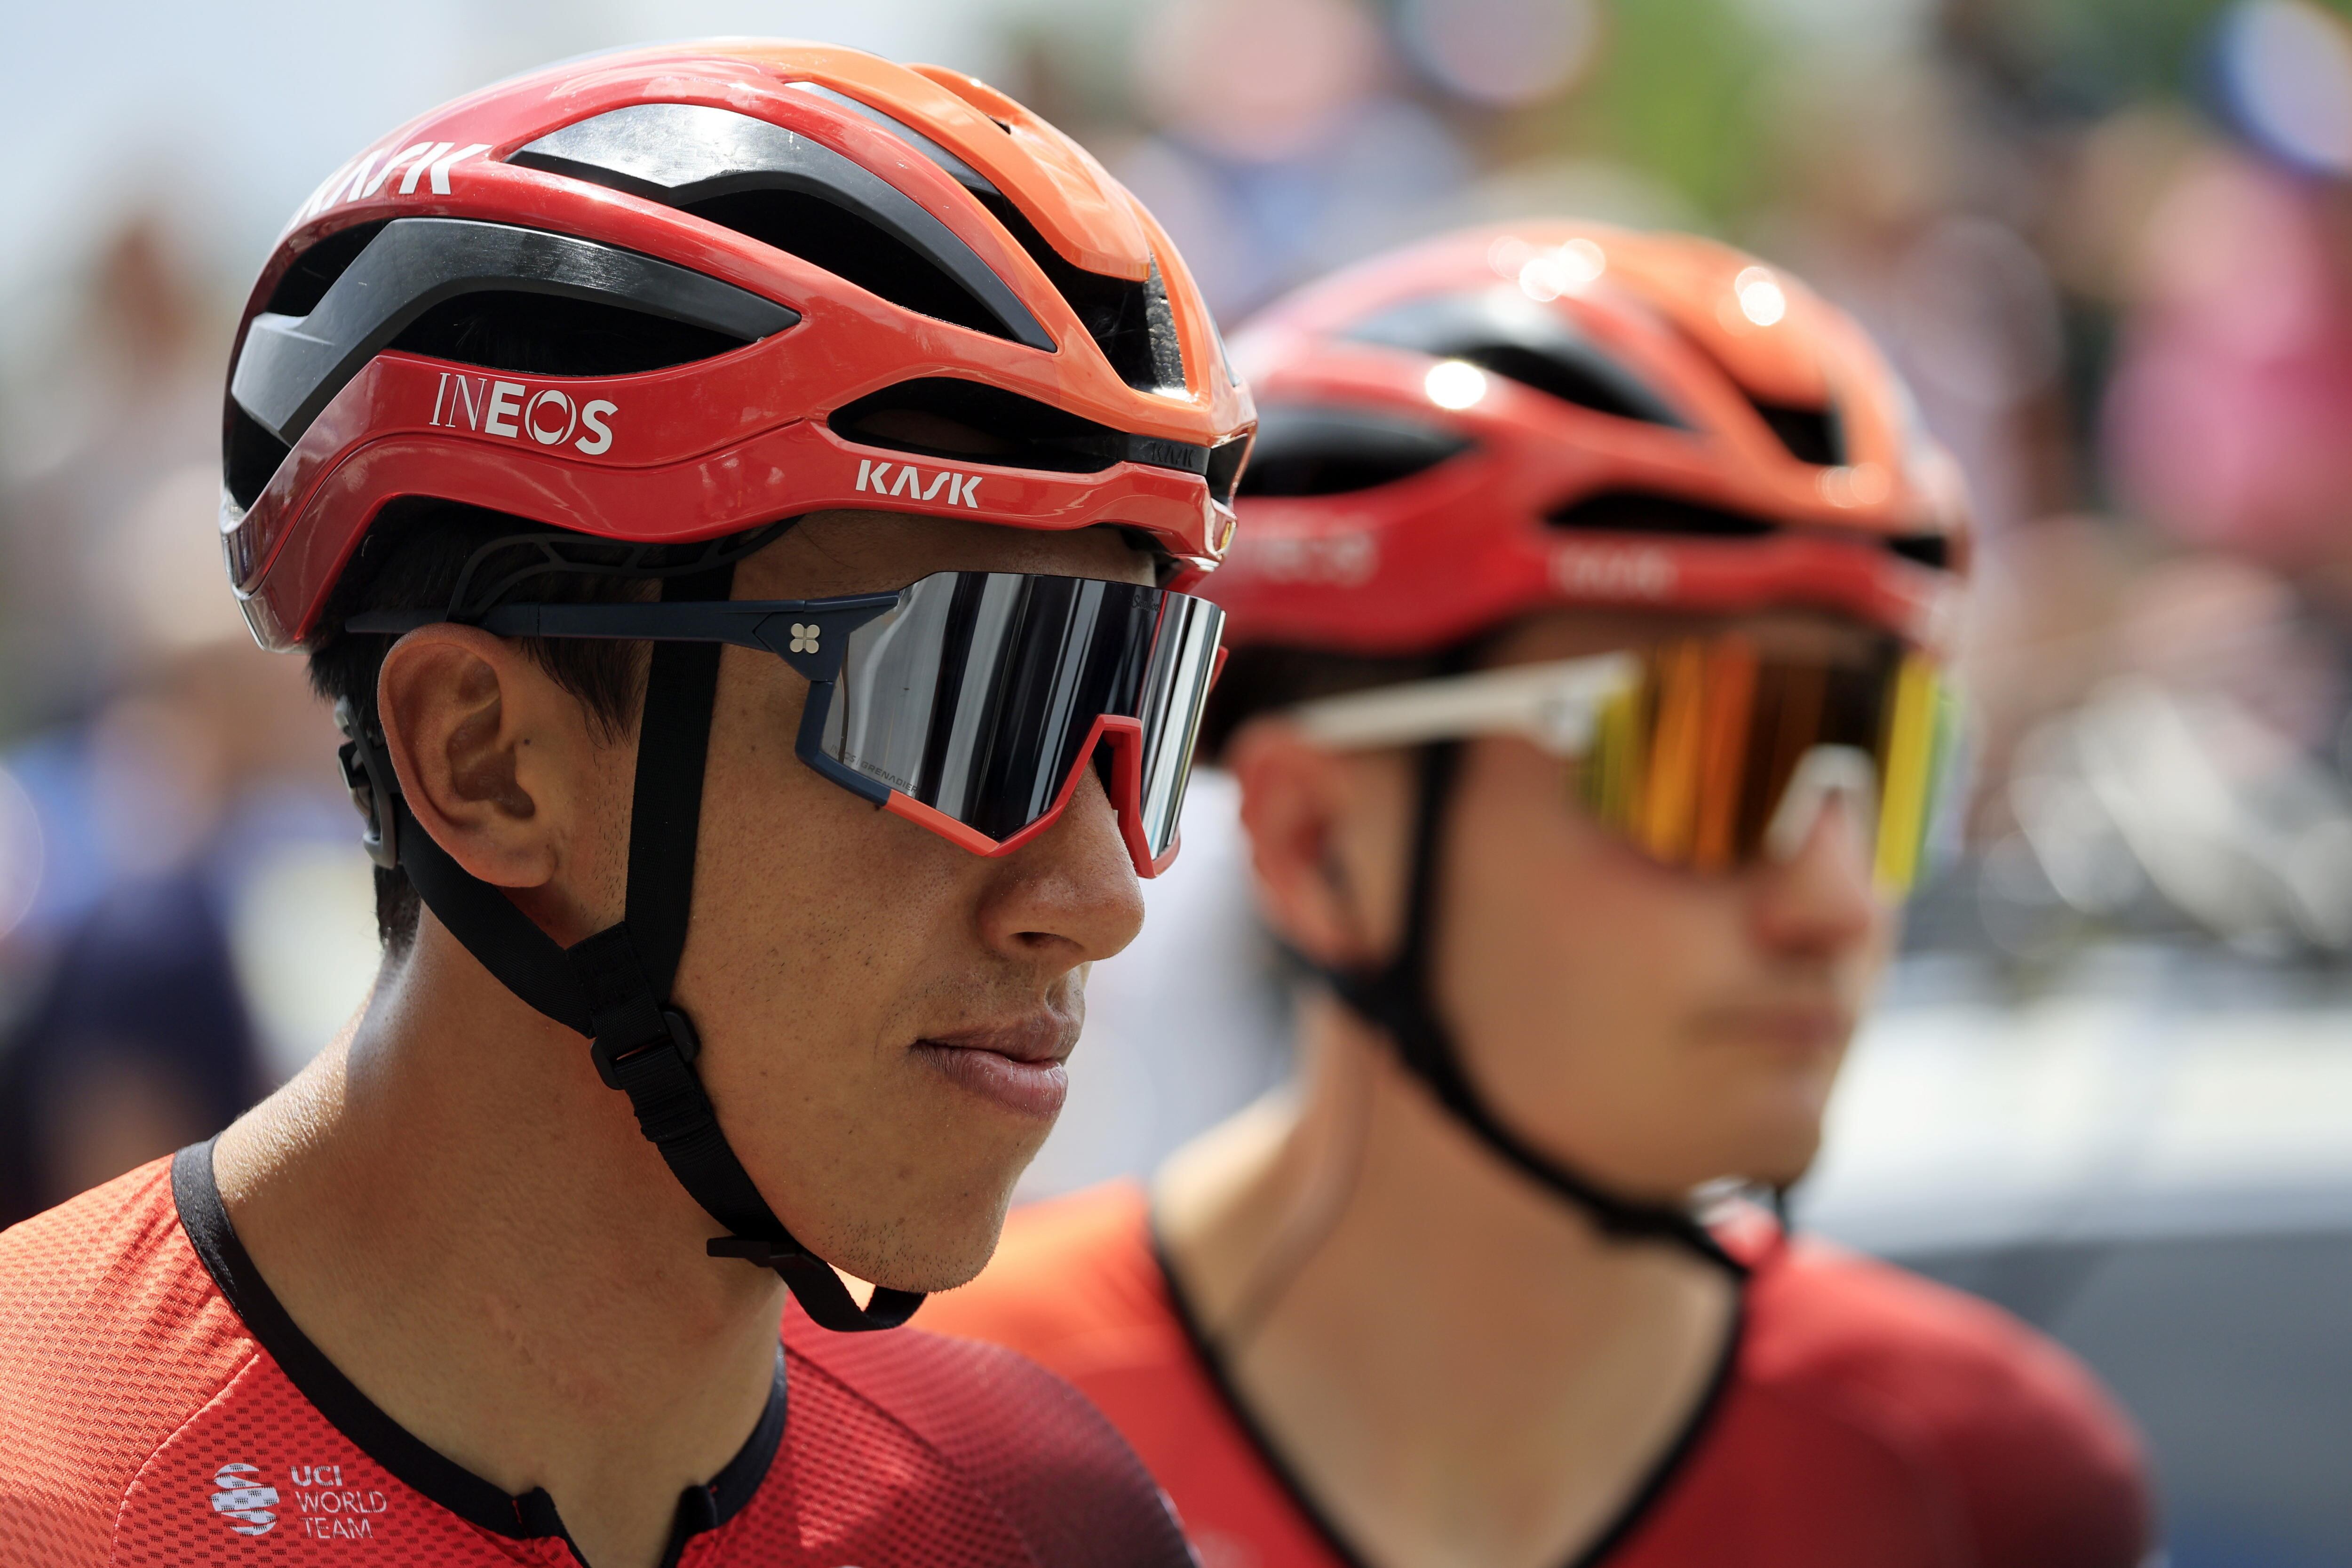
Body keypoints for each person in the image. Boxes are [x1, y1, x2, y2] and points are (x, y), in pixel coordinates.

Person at [0, 40, 1252, 1568]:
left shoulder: (1046, 1520)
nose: (1103, 896)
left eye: (1147, 704)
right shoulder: (41, 1481)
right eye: (976, 704)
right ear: (486, 761)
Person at [922, 224, 2155, 1567]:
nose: (1838, 901)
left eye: (1893, 761)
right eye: (1717, 761)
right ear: (1317, 842)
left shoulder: (1995, 1486)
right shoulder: (927, 1450)